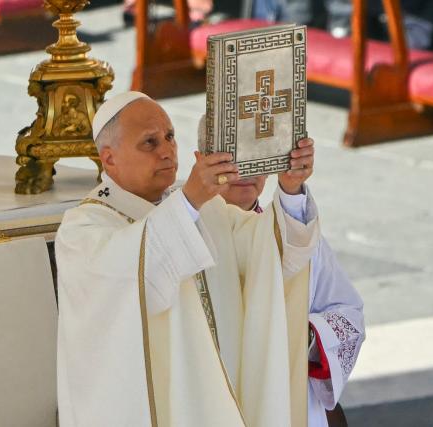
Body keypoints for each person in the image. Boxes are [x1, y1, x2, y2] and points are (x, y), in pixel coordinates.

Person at [55, 91, 320, 426]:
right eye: (149, 143)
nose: (167, 151)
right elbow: (138, 279)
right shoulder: (84, 229)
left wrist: (291, 188)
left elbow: (270, 255)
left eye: (169, 137)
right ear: (109, 158)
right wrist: (191, 199)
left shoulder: (206, 209)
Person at [198, 115, 366, 427]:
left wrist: (304, 337)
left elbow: (348, 313)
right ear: (202, 161)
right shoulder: (186, 235)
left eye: (258, 156)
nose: (246, 168)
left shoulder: (298, 231)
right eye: (231, 156)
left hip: (286, 396)